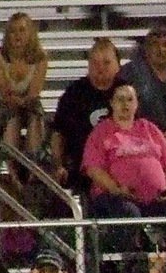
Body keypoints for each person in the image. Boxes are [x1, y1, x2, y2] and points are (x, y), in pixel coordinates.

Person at [82, 81, 166, 255]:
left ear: (136, 104)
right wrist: (117, 189)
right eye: (120, 99)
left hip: (155, 199)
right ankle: (129, 264)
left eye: (129, 99)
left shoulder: (149, 129)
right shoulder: (102, 132)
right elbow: (93, 169)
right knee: (129, 213)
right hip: (116, 198)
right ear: (111, 103)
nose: (125, 104)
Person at [50, 38, 120, 191]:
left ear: (117, 65)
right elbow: (58, 134)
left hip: (121, 165)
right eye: (95, 63)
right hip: (83, 169)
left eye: (106, 63)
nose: (100, 68)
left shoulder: (127, 92)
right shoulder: (73, 94)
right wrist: (58, 165)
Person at [0, 13, 48, 156]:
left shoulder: (41, 58)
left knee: (35, 112)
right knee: (12, 115)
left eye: (22, 30)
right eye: (13, 31)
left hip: (24, 101)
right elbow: (5, 91)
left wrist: (24, 102)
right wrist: (19, 101)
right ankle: (10, 161)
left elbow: (34, 92)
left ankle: (33, 159)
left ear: (30, 33)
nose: (17, 35)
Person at [118, 26, 166, 157]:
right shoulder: (130, 72)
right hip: (139, 135)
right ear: (146, 49)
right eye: (155, 44)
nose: (161, 49)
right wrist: (153, 134)